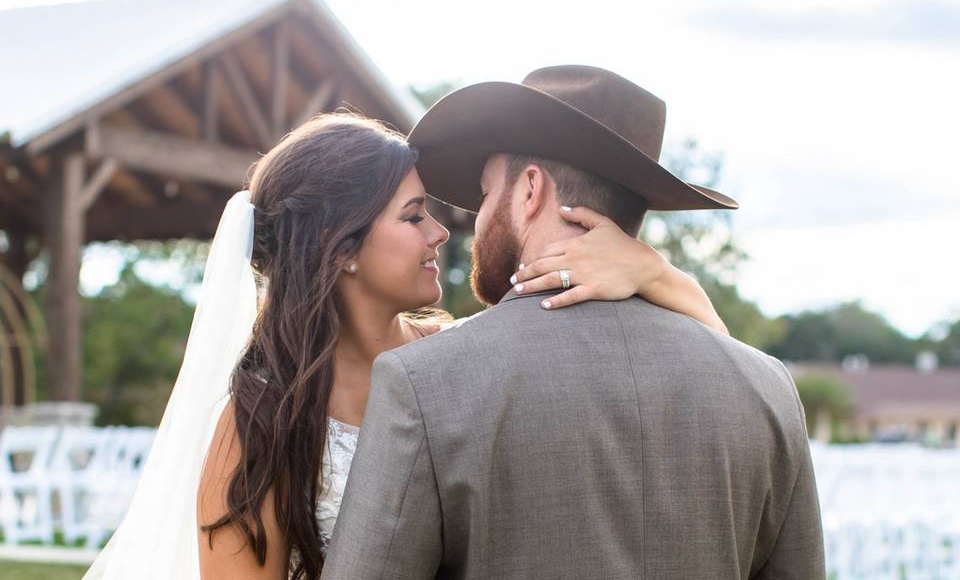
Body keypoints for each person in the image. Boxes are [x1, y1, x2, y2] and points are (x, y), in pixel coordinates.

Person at [82, 111, 729, 580]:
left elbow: (726, 372)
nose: (440, 233)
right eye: (413, 214)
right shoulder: (261, 421)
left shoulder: (458, 359)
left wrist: (653, 271)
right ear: (343, 249)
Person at [320, 66, 825, 579]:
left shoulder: (423, 383)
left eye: (487, 192)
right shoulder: (767, 388)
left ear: (530, 191)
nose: (474, 221)